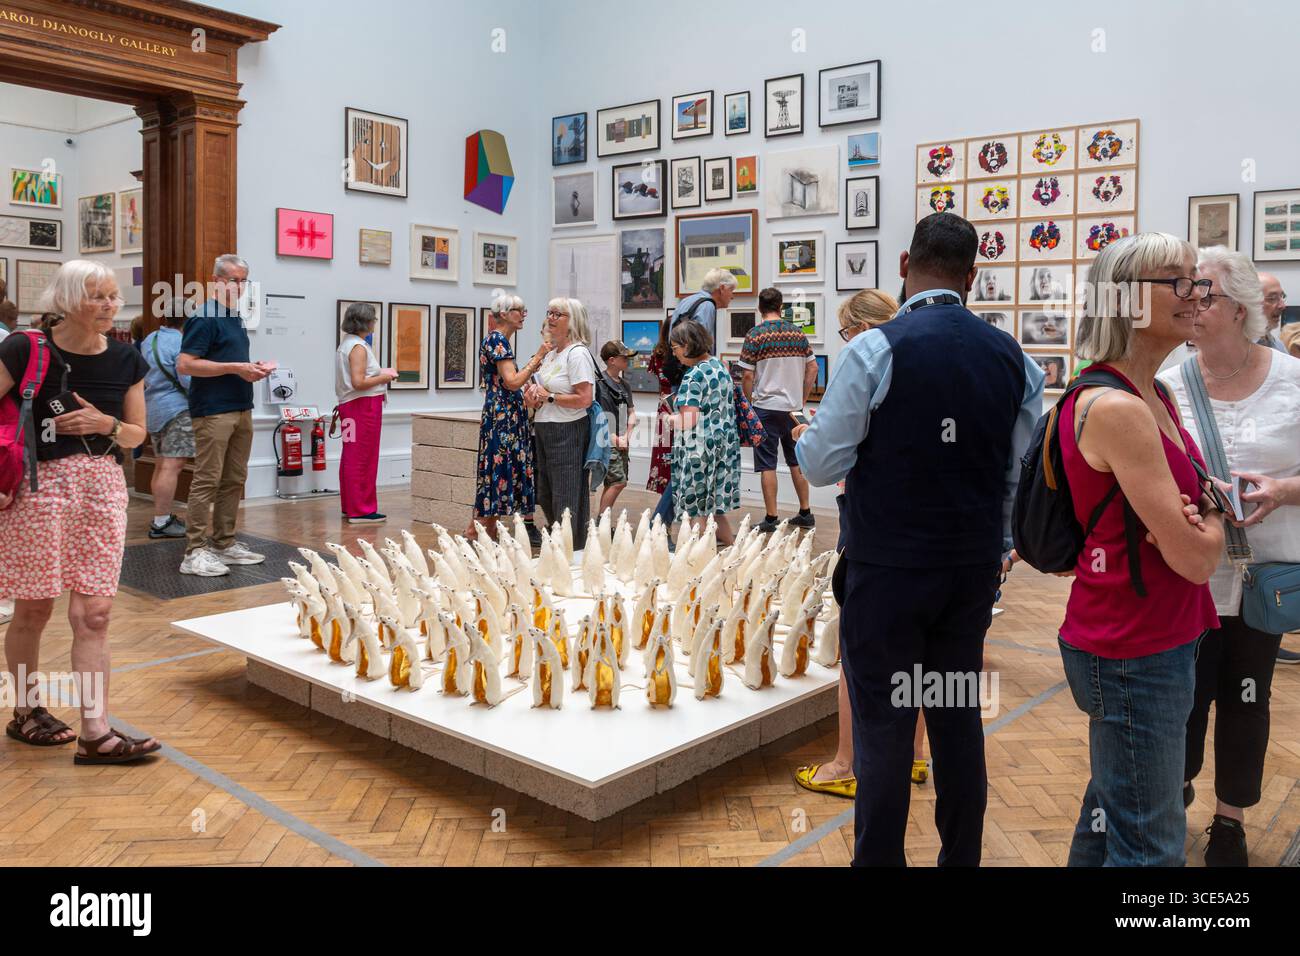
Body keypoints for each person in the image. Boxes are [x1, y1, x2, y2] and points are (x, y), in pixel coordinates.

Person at [795, 213, 1045, 866]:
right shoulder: (1017, 361)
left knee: (884, 728)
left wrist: (804, 437)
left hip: (887, 574)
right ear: (973, 276)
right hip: (967, 577)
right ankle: (959, 859)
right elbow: (1016, 477)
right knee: (956, 721)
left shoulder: (873, 350)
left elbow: (822, 465)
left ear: (904, 264)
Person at [1055, 232, 1226, 866]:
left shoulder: (1160, 395)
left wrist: (1202, 516)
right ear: (1122, 299)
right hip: (1132, 647)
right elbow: (1198, 557)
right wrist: (1206, 520)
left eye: (1196, 281)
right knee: (1152, 845)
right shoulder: (1118, 408)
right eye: (1176, 281)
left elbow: (1206, 507)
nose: (1195, 295)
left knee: (1110, 819)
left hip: (1156, 635)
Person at [1157, 246, 1300, 865]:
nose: (1192, 302)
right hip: (1186, 575)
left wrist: (1285, 491)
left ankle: (1231, 821)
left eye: (1205, 293)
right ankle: (1178, 787)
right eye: (1188, 290)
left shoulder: (1293, 382)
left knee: (1247, 697)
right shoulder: (1168, 381)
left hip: (1262, 578)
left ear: (1241, 307)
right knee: (1183, 696)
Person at [0, 259, 161, 763]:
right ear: (67, 300)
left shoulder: (127, 357)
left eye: (114, 296)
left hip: (103, 488)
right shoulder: (25, 347)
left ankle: (96, 731)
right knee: (33, 607)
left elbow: (138, 435)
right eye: (98, 296)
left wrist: (104, 423)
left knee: (95, 612)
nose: (110, 305)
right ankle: (25, 711)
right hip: (36, 490)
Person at [792, 288, 938, 798]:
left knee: (857, 656)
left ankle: (846, 764)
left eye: (845, 332)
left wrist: (806, 438)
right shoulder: (925, 369)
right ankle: (917, 755)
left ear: (857, 329)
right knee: (921, 654)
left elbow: (826, 460)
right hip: (928, 535)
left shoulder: (868, 360)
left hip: (874, 533)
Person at [176, 254, 272, 577]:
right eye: (234, 280)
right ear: (217, 281)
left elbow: (230, 362)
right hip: (213, 410)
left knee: (234, 479)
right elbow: (186, 364)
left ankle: (223, 542)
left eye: (245, 281)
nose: (240, 286)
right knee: (207, 479)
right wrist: (235, 367)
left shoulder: (234, 317)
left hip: (241, 406)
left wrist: (251, 368)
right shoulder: (205, 316)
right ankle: (195, 551)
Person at [647, 268, 738, 529]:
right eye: (731, 291)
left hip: (681, 387)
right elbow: (698, 346)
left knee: (685, 466)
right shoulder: (707, 307)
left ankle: (694, 529)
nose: (732, 297)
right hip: (693, 394)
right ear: (721, 288)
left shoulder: (687, 300)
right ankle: (659, 525)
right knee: (689, 467)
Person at [737, 287, 817, 533]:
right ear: (781, 307)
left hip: (766, 408)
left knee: (767, 465)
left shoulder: (755, 335)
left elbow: (747, 375)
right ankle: (805, 512)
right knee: (797, 462)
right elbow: (812, 369)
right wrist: (801, 398)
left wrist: (750, 403)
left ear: (759, 308)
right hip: (794, 410)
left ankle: (771, 518)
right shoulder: (798, 333)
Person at [473, 294, 550, 543]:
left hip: (504, 415)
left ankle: (479, 533)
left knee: (497, 475)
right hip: (502, 418)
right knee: (498, 474)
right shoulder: (498, 340)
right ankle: (479, 534)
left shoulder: (499, 340)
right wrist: (538, 357)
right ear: (504, 313)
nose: (523, 314)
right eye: (519, 310)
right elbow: (512, 381)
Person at [523, 297, 596, 551]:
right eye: (549, 312)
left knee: (567, 495)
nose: (551, 318)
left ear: (572, 321)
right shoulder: (553, 353)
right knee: (545, 492)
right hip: (544, 428)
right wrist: (533, 395)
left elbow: (585, 399)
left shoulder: (578, 354)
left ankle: (571, 551)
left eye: (558, 314)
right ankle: (560, 543)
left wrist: (550, 396)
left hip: (568, 431)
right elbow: (541, 392)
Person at [667, 320, 740, 545]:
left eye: (675, 348)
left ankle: (690, 565)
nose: (674, 353)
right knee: (715, 510)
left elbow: (688, 419)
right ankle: (733, 554)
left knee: (694, 511)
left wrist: (669, 419)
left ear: (688, 345)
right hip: (724, 447)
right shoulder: (720, 367)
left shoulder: (692, 376)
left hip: (698, 451)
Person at [335, 302, 398, 524]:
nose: (374, 323)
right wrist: (386, 376)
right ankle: (361, 509)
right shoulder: (359, 347)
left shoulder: (347, 344)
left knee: (351, 456)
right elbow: (359, 382)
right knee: (363, 457)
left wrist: (380, 373)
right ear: (365, 322)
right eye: (372, 319)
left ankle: (351, 505)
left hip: (351, 406)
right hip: (362, 407)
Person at [140, 298, 195, 538]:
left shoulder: (149, 339)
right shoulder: (183, 342)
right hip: (177, 409)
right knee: (173, 465)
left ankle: (160, 516)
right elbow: (187, 379)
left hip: (153, 408)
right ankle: (161, 521)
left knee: (162, 464)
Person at [595, 339, 638, 516]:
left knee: (617, 481)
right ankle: (600, 522)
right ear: (612, 360)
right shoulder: (598, 383)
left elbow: (632, 412)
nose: (627, 360)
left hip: (621, 440)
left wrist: (627, 435)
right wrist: (614, 438)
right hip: (606, 439)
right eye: (624, 357)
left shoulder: (624, 385)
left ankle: (602, 520)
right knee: (617, 482)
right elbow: (597, 417)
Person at [1257, 272, 1288, 352]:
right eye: (1273, 298)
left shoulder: (1278, 345)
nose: (1282, 306)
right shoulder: (1231, 347)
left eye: (1282, 296)